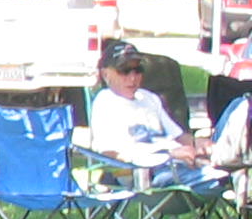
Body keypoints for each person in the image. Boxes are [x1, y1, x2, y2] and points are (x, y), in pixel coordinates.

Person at [89, 44, 211, 181]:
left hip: (180, 164)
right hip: (149, 173)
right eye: (124, 70)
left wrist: (200, 144)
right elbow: (111, 153)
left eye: (138, 70)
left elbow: (179, 136)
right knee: (216, 176)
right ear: (106, 74)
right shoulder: (105, 102)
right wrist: (168, 155)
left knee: (224, 164)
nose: (133, 77)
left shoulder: (149, 98)